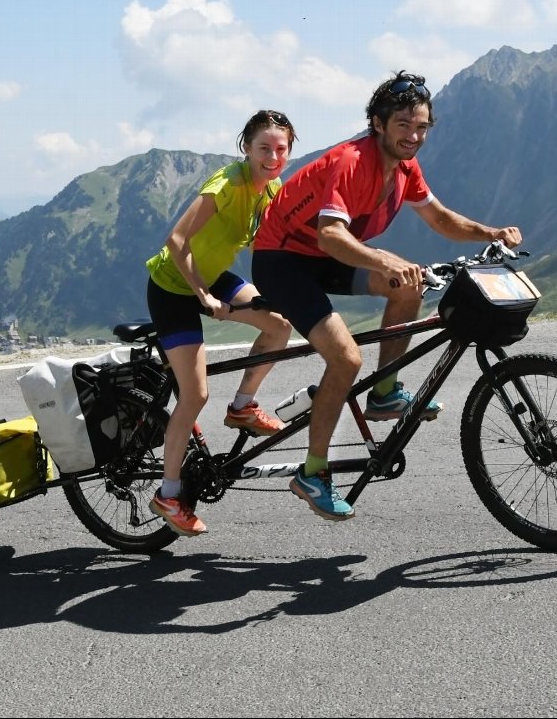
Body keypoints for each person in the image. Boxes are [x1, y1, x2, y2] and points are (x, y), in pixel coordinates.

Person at [251, 71, 522, 522]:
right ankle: (313, 474)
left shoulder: (404, 167)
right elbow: (332, 236)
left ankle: (383, 393)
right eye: (403, 125)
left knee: (409, 285)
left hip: (323, 256)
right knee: (345, 359)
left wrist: (490, 232)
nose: (414, 136)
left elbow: (439, 219)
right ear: (378, 124)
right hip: (283, 261)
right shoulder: (351, 162)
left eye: (422, 128)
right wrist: (382, 260)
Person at [145, 110, 298, 537]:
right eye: (263, 148)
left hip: (215, 276)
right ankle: (169, 494)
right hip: (174, 286)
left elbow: (276, 244)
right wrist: (203, 297)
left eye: (280, 149)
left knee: (279, 326)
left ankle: (242, 406)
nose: (272, 157)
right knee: (194, 394)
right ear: (246, 147)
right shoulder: (227, 184)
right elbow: (176, 241)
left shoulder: (272, 188)